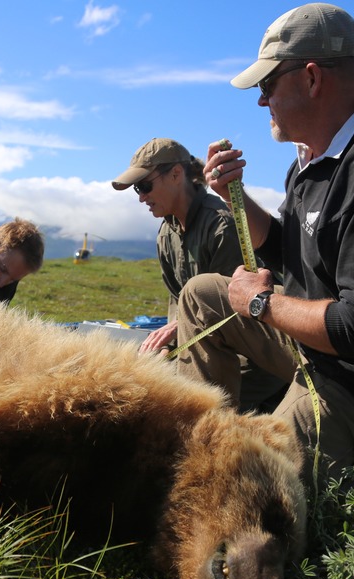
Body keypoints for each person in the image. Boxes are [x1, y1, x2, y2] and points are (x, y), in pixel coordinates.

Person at [175, 3, 354, 500]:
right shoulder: (311, 163)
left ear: (310, 79)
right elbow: (292, 250)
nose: (262, 102)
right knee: (202, 294)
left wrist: (260, 304)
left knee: (247, 487)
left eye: (267, 86)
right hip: (318, 352)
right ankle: (205, 435)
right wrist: (233, 197)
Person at [112, 138, 287, 411]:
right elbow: (176, 306)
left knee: (171, 401)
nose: (141, 197)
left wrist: (176, 338)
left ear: (176, 174)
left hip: (254, 355)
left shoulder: (222, 225)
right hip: (201, 345)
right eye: (137, 188)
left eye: (145, 186)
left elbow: (239, 313)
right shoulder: (166, 235)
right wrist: (165, 347)